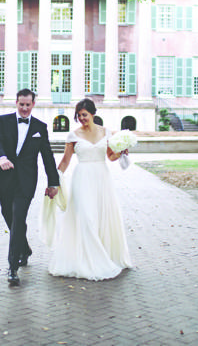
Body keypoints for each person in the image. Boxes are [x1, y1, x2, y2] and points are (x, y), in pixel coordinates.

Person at [48, 98, 132, 280]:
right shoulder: (73, 135)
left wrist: (121, 151)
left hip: (101, 178)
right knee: (86, 217)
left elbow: (110, 157)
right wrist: (53, 181)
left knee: (100, 216)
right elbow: (65, 161)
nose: (81, 119)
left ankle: (104, 255)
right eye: (78, 116)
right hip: (82, 178)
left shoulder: (107, 132)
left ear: (93, 114)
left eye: (84, 115)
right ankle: (90, 261)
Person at [0, 89, 60, 286]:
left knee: (18, 218)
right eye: (22, 104)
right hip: (5, 178)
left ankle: (12, 268)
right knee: (8, 216)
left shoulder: (40, 127)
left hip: (26, 182)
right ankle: (25, 248)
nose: (25, 108)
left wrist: (53, 183)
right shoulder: (3, 121)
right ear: (16, 103)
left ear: (33, 104)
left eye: (28, 105)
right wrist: (1, 158)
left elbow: (47, 157)